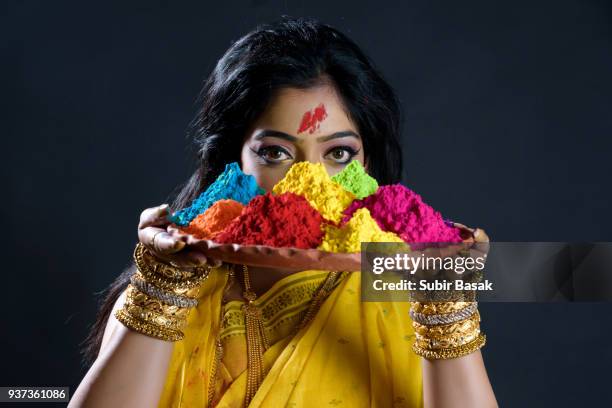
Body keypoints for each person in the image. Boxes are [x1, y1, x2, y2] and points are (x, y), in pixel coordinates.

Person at [70, 17, 498, 407]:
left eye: (339, 153)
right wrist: (162, 290)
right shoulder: (176, 286)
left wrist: (445, 302)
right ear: (232, 161)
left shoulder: (402, 284)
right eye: (275, 152)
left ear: (367, 164)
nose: (308, 180)